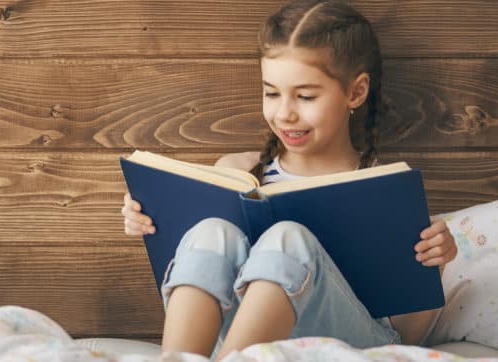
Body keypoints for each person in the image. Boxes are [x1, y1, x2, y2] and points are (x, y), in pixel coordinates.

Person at [121, 1, 458, 359]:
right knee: (210, 232)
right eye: (271, 92)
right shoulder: (237, 170)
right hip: (232, 336)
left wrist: (435, 266)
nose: (284, 113)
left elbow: (405, 337)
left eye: (306, 96)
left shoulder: (384, 190)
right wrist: (150, 220)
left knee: (288, 237)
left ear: (355, 93)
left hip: (351, 341)